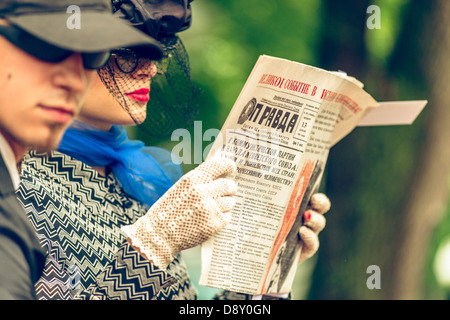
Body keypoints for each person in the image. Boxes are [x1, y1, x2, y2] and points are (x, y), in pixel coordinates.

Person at [16, 0, 330, 300]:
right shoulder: (17, 183)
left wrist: (264, 277)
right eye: (128, 53)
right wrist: (154, 244)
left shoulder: (135, 177)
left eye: (156, 52)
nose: (149, 70)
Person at [0, 0, 171, 300]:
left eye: (94, 53)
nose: (73, 78)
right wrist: (152, 247)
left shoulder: (136, 175)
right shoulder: (26, 188)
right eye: (46, 45)